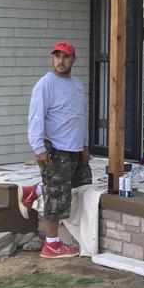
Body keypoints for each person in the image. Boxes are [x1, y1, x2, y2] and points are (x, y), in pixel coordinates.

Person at [16, 41, 92, 258]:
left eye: (65, 56)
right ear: (52, 59)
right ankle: (51, 245)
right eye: (56, 56)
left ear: (73, 60)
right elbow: (36, 118)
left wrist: (84, 145)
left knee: (78, 186)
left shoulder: (77, 84)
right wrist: (39, 149)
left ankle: (35, 191)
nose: (60, 61)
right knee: (57, 196)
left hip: (75, 148)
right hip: (55, 147)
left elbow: (80, 115)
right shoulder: (45, 84)